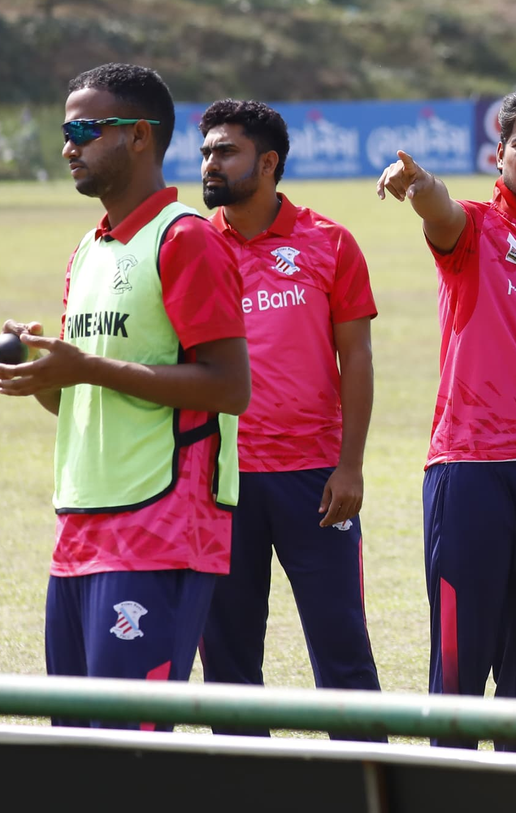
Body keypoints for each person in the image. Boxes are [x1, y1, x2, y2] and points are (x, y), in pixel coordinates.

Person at [0, 64, 248, 718]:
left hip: (161, 526)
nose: (69, 144)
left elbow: (230, 386)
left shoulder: (185, 239)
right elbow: (80, 395)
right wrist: (44, 376)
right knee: (76, 746)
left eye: (84, 128)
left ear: (138, 137)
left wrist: (86, 369)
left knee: (128, 752)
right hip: (80, 527)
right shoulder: (88, 252)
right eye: (65, 129)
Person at [376, 85, 516, 737]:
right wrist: (420, 185)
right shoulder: (472, 228)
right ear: (498, 154)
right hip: (469, 475)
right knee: (459, 673)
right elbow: (438, 210)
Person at [197, 100, 381, 717]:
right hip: (219, 481)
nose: (210, 165)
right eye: (206, 153)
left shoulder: (329, 242)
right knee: (227, 662)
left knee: (343, 652)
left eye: (226, 152)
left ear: (268, 162)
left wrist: (349, 466)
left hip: (314, 480)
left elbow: (356, 358)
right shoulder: (188, 247)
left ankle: (368, 782)